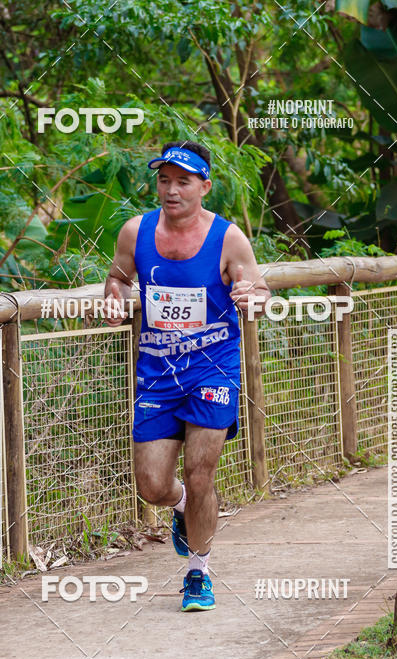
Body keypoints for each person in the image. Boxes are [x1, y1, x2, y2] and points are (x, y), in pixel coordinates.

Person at [104, 140, 270, 611]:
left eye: (183, 181)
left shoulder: (228, 237)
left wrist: (252, 298)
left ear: (205, 186)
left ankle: (199, 571)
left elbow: (259, 290)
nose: (171, 190)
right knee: (152, 486)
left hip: (212, 367)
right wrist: (115, 295)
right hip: (158, 373)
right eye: (164, 180)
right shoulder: (134, 232)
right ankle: (180, 510)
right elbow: (117, 277)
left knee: (201, 474)